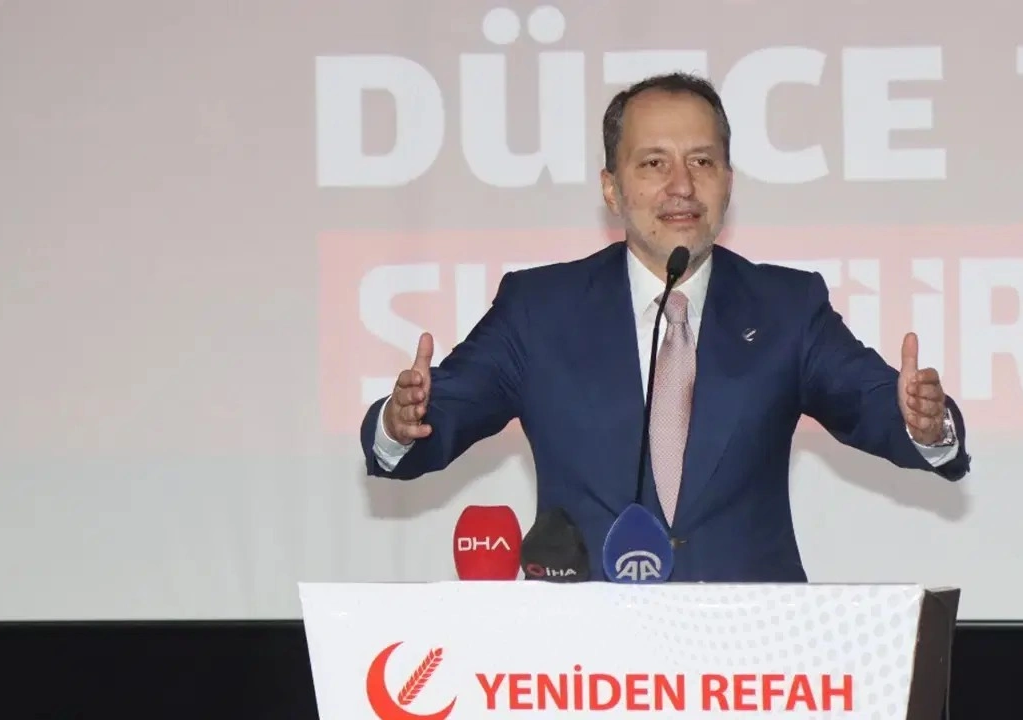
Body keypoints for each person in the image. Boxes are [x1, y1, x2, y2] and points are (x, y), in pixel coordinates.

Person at [360, 72, 972, 582]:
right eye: (654, 163)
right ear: (611, 188)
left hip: (752, 651)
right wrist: (399, 422)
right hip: (585, 657)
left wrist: (924, 422)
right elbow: (437, 421)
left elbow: (871, 404)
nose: (682, 185)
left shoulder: (786, 307)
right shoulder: (538, 309)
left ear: (728, 182)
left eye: (702, 161)